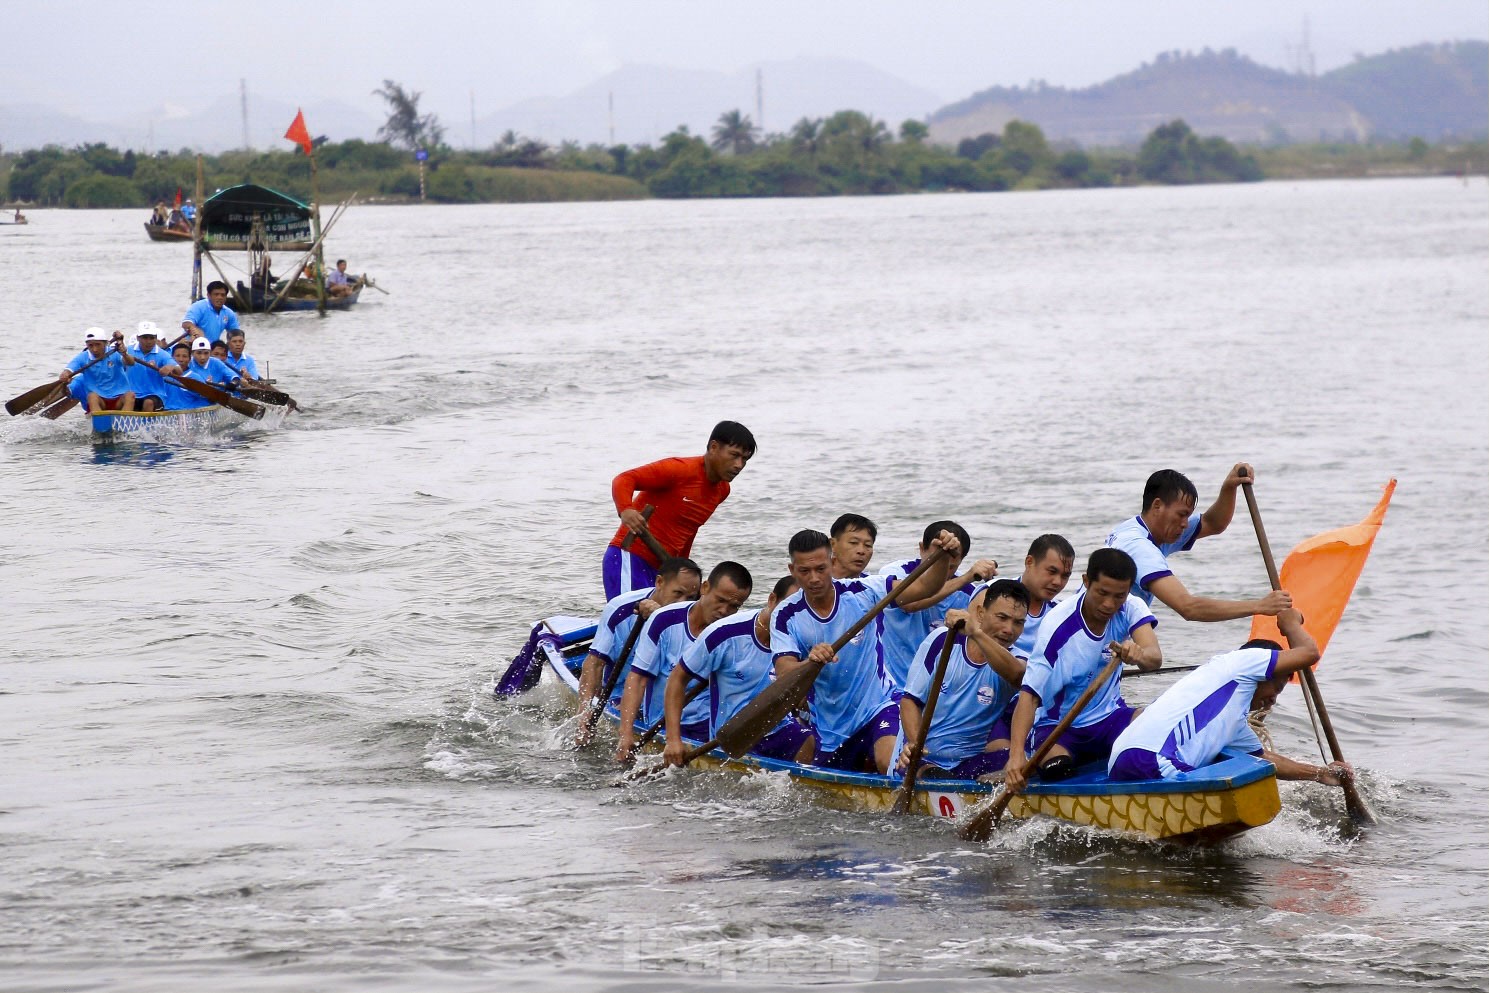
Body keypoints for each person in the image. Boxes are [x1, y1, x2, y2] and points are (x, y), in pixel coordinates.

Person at [771, 527, 961, 774]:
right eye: (804, 571)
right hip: (831, 728)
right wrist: (810, 661)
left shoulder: (863, 591)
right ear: (792, 570)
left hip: (879, 705)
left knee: (889, 762)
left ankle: (917, 774)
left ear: (832, 561)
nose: (814, 579)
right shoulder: (785, 616)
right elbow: (785, 676)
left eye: (821, 569)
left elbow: (924, 588)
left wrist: (942, 558)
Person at [1108, 609, 1353, 789]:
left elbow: (1266, 759)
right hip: (1151, 760)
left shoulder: (1233, 722)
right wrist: (1290, 623)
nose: (1272, 701)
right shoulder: (1242, 662)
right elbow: (1309, 653)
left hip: (1124, 759)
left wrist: (1321, 774)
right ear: (1264, 671)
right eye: (1275, 690)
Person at [1004, 548, 1163, 793]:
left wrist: (1138, 654)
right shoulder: (1057, 627)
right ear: (1086, 582)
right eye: (1102, 593)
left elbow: (1154, 658)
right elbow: (1029, 695)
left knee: (1159, 730)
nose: (1109, 604)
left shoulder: (1131, 606)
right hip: (1059, 726)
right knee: (1058, 770)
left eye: (1119, 595)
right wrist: (1015, 759)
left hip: (1110, 718)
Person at [662, 575, 816, 767]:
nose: (794, 616)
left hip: (777, 728)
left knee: (809, 742)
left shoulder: (806, 637)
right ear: (771, 600)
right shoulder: (724, 633)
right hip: (733, 735)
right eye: (789, 606)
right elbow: (677, 679)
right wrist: (673, 740)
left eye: (803, 610)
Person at [1105, 466, 1292, 622]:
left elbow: (1213, 523)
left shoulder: (1141, 529)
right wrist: (1260, 606)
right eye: (1181, 514)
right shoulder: (1139, 547)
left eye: (1188, 515)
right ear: (1157, 506)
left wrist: (1229, 487)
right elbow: (1188, 607)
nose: (1185, 524)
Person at [893, 579, 1031, 781]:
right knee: (928, 771)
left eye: (1018, 622)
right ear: (981, 614)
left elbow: (1017, 676)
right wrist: (915, 745)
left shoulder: (1018, 661)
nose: (1009, 629)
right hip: (920, 759)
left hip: (969, 762)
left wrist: (976, 632)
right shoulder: (942, 640)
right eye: (1002, 617)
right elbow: (910, 701)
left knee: (1029, 763)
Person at [617, 561, 753, 763]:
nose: (724, 611)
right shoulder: (664, 620)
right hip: (662, 723)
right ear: (704, 588)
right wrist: (626, 735)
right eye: (720, 600)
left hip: (709, 725)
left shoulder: (730, 632)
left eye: (734, 606)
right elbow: (638, 679)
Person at [603, 421, 756, 600]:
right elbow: (624, 479)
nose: (739, 465)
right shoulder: (680, 469)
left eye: (744, 459)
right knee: (628, 622)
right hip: (629, 557)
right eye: (734, 455)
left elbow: (688, 531)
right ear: (714, 447)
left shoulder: (722, 490)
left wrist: (684, 570)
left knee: (658, 624)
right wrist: (626, 509)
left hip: (664, 568)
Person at [573, 557, 702, 746]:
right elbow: (594, 664)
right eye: (677, 593)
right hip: (621, 694)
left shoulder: (694, 615)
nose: (681, 603)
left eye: (690, 598)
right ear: (659, 583)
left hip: (666, 698)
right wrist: (584, 712)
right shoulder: (620, 608)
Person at [877, 519, 998, 694]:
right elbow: (909, 604)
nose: (941, 570)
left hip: (935, 691)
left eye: (950, 566)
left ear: (962, 560)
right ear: (921, 548)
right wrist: (965, 578)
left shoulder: (968, 593)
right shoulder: (895, 573)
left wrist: (991, 589)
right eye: (935, 561)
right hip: (891, 687)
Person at [1011, 534, 1076, 658]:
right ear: (1029, 562)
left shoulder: (1062, 614)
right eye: (1052, 572)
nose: (1058, 582)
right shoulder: (991, 593)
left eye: (1065, 576)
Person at [58, 329, 135, 414]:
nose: (95, 349)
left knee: (130, 395)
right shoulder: (83, 357)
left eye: (98, 345)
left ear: (105, 343)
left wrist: (124, 353)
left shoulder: (115, 353)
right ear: (87, 345)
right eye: (91, 345)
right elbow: (68, 370)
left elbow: (131, 362)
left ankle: (124, 420)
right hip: (99, 401)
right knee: (92, 397)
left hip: (118, 399)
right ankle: (98, 422)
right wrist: (65, 375)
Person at [124, 322, 180, 412]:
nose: (149, 341)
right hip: (133, 395)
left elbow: (179, 370)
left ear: (156, 338)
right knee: (125, 399)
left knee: (148, 403)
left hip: (155, 396)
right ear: (138, 338)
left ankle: (146, 425)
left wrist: (170, 367)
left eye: (152, 338)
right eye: (145, 338)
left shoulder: (162, 354)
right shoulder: (128, 351)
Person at [829, 513, 877, 579]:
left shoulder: (874, 584)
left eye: (868, 545)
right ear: (832, 544)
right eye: (854, 542)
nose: (861, 551)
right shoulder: (815, 583)